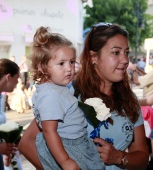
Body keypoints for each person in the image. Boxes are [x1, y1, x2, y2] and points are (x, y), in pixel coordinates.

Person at [19, 23, 149, 170]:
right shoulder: (68, 92)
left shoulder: (129, 99)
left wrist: (120, 157)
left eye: (126, 52)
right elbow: (27, 143)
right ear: (94, 57)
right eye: (116, 52)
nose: (125, 60)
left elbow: (143, 158)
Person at [24, 26, 105, 170]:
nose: (69, 68)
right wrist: (65, 161)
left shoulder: (54, 88)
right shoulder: (51, 95)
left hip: (71, 142)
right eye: (61, 63)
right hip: (68, 146)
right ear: (42, 67)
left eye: (72, 62)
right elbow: (49, 131)